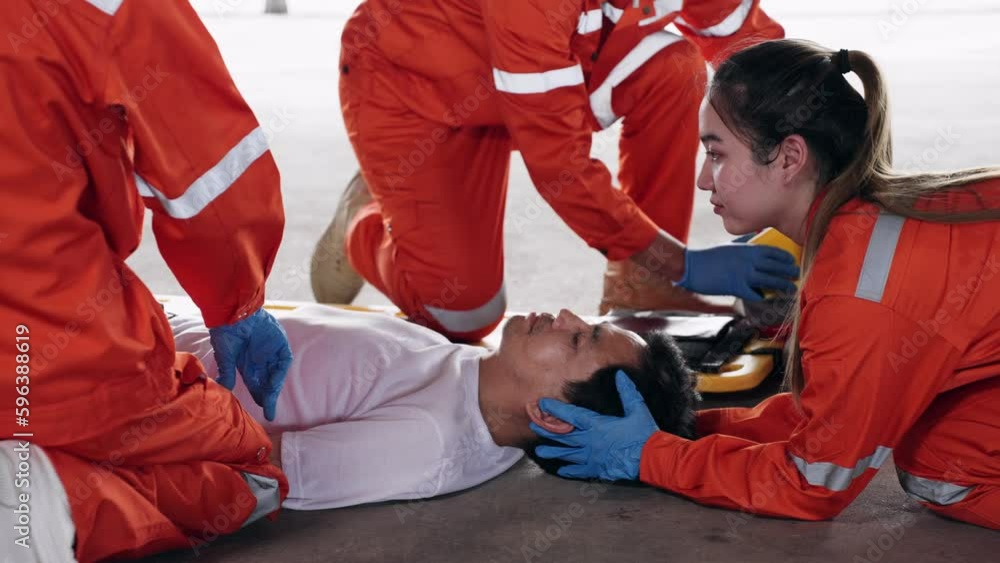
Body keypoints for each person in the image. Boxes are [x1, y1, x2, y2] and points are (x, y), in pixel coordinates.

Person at [532, 39, 1000, 530]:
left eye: (716, 155)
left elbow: (812, 482)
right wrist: (686, 431)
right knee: (941, 433)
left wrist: (654, 458)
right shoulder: (876, 224)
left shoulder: (858, 293)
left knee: (943, 468)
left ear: (789, 157)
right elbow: (829, 411)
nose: (702, 181)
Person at [311, 0, 803, 342]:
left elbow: (750, 52)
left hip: (549, 67)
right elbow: (560, 165)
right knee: (463, 314)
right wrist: (685, 265)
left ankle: (643, 283)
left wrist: (819, 147)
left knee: (675, 70)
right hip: (415, 93)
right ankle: (363, 220)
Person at [0, 1, 295, 561]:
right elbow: (213, 185)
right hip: (51, 350)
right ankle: (34, 496)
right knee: (251, 468)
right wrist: (237, 303)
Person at [168, 306, 698, 509]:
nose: (565, 315)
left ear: (555, 416)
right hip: (175, 320)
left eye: (579, 340)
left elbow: (261, 466)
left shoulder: (426, 440)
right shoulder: (489, 391)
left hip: (139, 367)